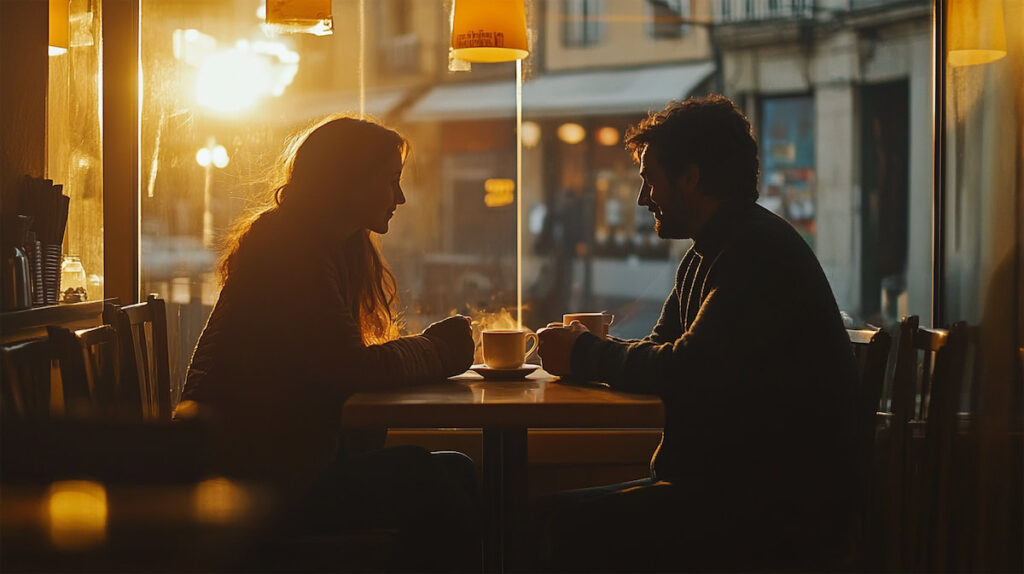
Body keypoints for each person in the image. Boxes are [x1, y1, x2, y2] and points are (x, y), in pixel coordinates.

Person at [536, 95, 860, 572]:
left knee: (551, 524)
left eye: (650, 180)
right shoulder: (711, 252)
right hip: (736, 494)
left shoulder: (754, 253)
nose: (643, 198)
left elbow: (687, 367)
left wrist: (584, 354)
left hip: (768, 512)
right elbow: (664, 350)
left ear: (690, 176)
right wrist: (592, 349)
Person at [177, 115, 480, 572]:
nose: (399, 197)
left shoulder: (307, 243)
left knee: (453, 471)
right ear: (347, 181)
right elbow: (352, 368)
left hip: (260, 463)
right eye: (390, 182)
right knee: (437, 482)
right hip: (254, 483)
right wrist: (440, 350)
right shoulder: (291, 250)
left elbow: (339, 366)